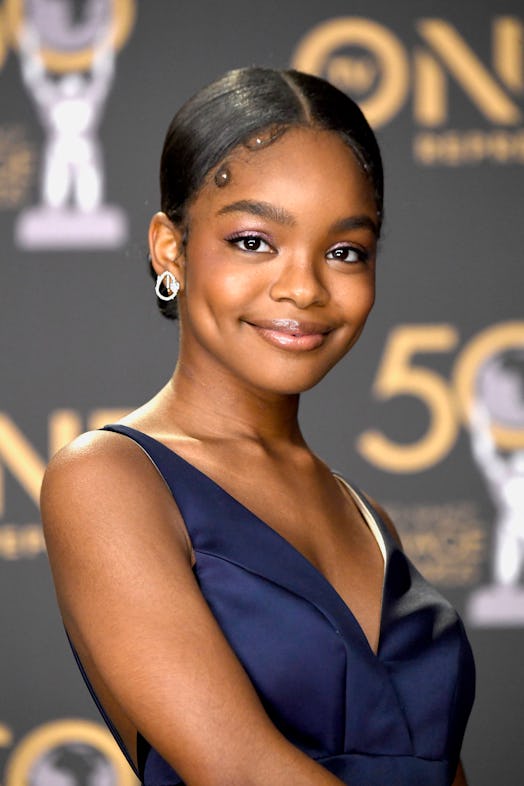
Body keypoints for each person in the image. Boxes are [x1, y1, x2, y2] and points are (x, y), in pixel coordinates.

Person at [41, 67, 475, 786]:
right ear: (170, 249)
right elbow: (239, 770)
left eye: (345, 251)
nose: (303, 286)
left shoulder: (373, 522)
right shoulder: (108, 480)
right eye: (253, 241)